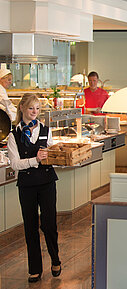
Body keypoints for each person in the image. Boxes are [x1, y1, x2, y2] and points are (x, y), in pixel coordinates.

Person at [7, 93, 61, 283]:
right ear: (22, 108)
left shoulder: (46, 131)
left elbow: (53, 154)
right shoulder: (13, 136)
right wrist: (35, 160)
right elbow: (14, 164)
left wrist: (56, 155)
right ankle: (35, 269)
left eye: (37, 109)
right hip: (27, 185)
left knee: (49, 224)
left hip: (47, 183)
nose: (34, 112)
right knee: (30, 227)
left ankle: (55, 259)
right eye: (31, 108)